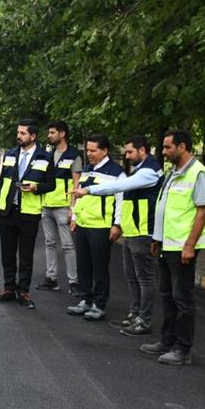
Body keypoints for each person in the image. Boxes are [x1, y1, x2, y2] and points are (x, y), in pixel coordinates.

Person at [70, 135, 162, 334]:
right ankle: (134, 314)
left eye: (130, 152)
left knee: (143, 279)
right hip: (129, 230)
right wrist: (76, 215)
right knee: (131, 277)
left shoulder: (148, 172)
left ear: (143, 150)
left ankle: (142, 319)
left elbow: (119, 189)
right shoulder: (137, 170)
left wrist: (90, 192)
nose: (127, 156)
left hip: (140, 231)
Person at [139, 129, 205, 366]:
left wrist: (190, 245)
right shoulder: (174, 172)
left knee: (182, 298)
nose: (163, 152)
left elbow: (202, 212)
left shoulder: (198, 173)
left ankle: (183, 349)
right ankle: (166, 340)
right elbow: (166, 207)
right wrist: (157, 239)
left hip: (183, 247)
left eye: (167, 147)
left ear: (182, 147)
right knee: (167, 295)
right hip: (166, 244)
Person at [0, 120, 55, 309]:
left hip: (29, 213)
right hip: (8, 210)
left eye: (23, 133)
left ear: (33, 136)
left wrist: (36, 187)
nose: (19, 136)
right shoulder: (10, 154)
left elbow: (52, 185)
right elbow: (2, 181)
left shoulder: (45, 157)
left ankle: (23, 291)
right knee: (7, 253)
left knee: (26, 254)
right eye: (18, 132)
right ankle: (8, 287)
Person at [66, 134, 125, 321]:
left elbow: (121, 201)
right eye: (87, 150)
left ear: (105, 151)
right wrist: (74, 216)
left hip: (101, 226)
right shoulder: (87, 169)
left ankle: (99, 305)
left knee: (99, 267)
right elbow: (78, 194)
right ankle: (85, 300)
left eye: (93, 150)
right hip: (83, 225)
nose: (89, 154)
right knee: (83, 266)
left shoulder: (116, 172)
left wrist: (117, 224)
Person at [37, 121, 83, 295]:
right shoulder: (48, 155)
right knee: (49, 243)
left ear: (62, 134)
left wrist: (73, 207)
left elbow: (76, 183)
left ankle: (73, 281)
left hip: (63, 207)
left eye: (52, 132)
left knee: (68, 245)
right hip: (46, 205)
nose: (49, 135)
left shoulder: (73, 155)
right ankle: (51, 278)